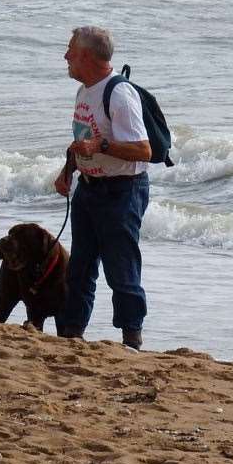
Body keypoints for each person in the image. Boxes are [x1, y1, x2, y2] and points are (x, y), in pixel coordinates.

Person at [53, 26, 151, 350]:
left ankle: (131, 340)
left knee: (121, 271)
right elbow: (82, 140)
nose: (66, 56)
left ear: (87, 56)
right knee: (80, 268)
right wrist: (68, 171)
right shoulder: (85, 90)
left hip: (121, 191)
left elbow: (143, 151)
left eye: (70, 50)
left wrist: (102, 145)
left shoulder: (119, 94)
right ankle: (71, 335)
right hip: (89, 188)